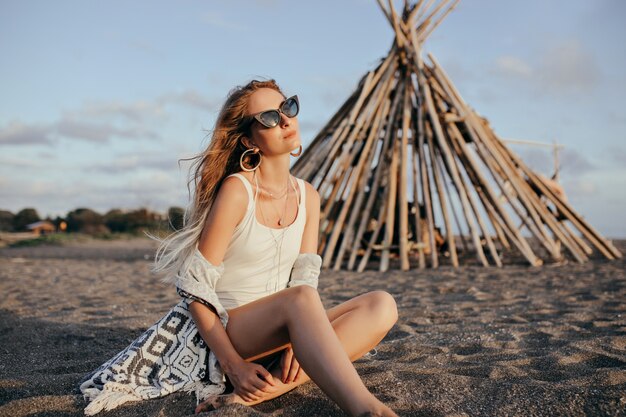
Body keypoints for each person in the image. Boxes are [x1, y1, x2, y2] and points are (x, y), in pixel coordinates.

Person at [79, 79, 399, 417]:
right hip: (229, 333)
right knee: (301, 301)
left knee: (382, 304)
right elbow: (195, 289)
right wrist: (233, 365)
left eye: (287, 108)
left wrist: (297, 342)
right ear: (248, 139)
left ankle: (257, 393)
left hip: (284, 327)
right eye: (270, 118)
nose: (286, 121)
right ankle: (368, 411)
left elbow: (304, 279)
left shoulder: (309, 196)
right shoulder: (237, 190)